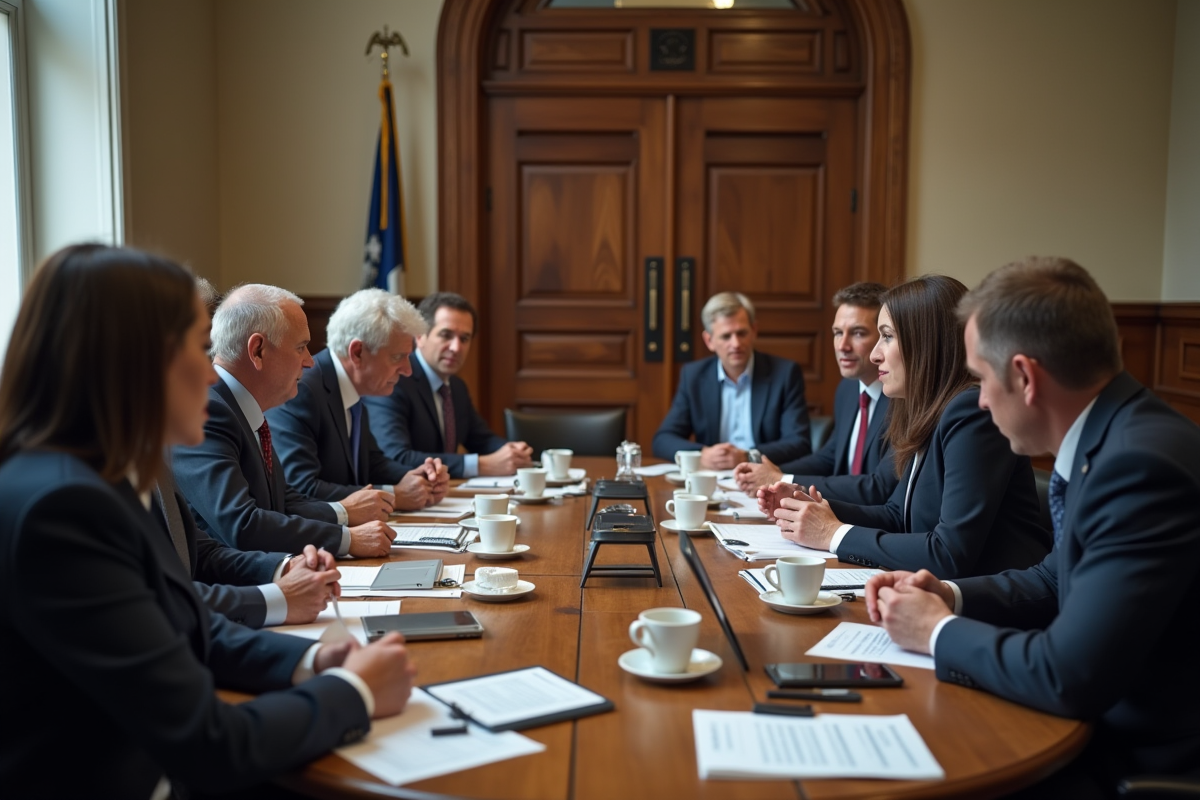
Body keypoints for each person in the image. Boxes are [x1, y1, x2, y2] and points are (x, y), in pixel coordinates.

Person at [0, 244, 416, 798]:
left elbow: (181, 620)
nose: (213, 374)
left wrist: (318, 657)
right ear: (128, 360)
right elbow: (207, 741)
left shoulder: (108, 472)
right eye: (197, 348)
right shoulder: (61, 507)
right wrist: (354, 692)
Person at [867, 257, 1200, 790]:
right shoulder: (1114, 436)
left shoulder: (1141, 466)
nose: (975, 399)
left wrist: (935, 630)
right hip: (1093, 721)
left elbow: (1068, 677)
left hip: (1134, 758)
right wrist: (949, 595)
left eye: (979, 378)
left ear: (1024, 376)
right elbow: (1052, 576)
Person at [767, 275, 1049, 578]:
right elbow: (896, 514)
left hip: (991, 605)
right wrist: (811, 508)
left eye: (887, 336)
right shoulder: (926, 409)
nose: (875, 354)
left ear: (926, 343)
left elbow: (949, 554)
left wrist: (831, 534)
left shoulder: (972, 412)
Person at [173, 284, 395, 557]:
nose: (310, 362)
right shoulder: (210, 411)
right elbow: (243, 524)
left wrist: (342, 512)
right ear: (258, 351)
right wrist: (345, 538)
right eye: (301, 347)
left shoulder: (241, 407)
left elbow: (281, 500)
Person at [267, 288, 450, 511]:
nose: (408, 370)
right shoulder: (302, 390)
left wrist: (419, 477)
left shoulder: (354, 391)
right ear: (358, 352)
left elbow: (372, 463)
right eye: (398, 357)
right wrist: (394, 496)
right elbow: (302, 488)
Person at [735, 282, 897, 505]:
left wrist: (782, 478)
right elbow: (829, 457)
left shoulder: (901, 400)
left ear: (883, 337)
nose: (843, 345)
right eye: (837, 333)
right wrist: (769, 473)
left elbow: (879, 488)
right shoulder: (848, 389)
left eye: (858, 333)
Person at [365, 292, 532, 478]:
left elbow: (481, 439)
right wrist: (480, 465)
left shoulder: (456, 386)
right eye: (446, 335)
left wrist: (512, 452)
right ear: (420, 337)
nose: (456, 348)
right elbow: (395, 457)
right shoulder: (393, 382)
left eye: (464, 338)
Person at [157, 463, 336, 627]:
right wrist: (279, 598)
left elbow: (202, 555)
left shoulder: (152, 465)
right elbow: (160, 597)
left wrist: (284, 567)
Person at [652, 292, 812, 469]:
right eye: (726, 336)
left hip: (763, 478)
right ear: (709, 340)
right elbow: (663, 440)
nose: (735, 344)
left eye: (742, 333)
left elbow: (799, 443)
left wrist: (747, 456)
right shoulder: (694, 376)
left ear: (754, 331)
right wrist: (703, 454)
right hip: (712, 481)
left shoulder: (785, 374)